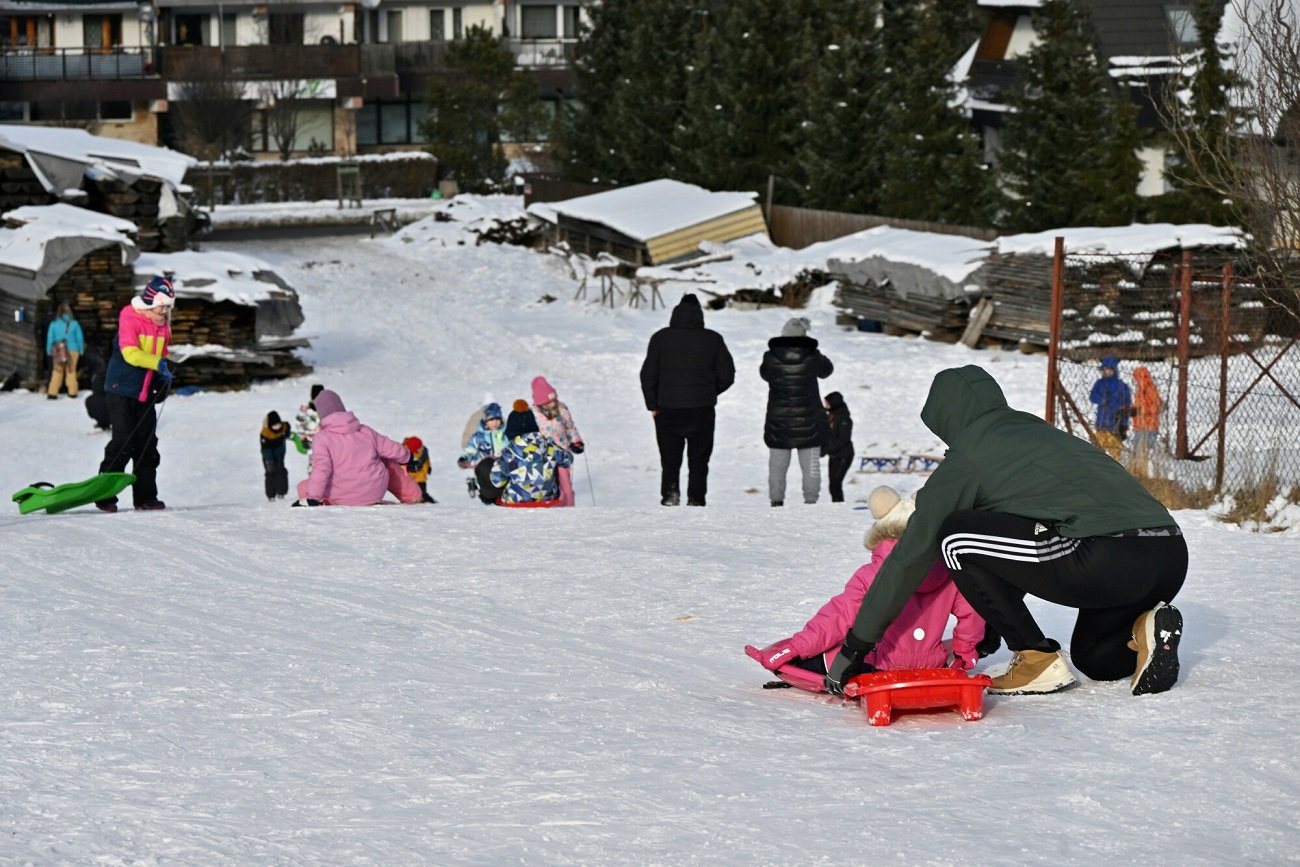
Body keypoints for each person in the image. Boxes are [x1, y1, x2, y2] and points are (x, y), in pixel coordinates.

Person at [824, 365, 1187, 699]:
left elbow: (910, 556)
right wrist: (994, 621)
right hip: (1168, 554)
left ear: (945, 417)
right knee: (1094, 658)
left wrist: (855, 646)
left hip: (1105, 554)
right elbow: (1012, 547)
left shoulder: (970, 456)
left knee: (955, 536)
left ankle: (1036, 660)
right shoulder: (1037, 434)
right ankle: (1147, 628)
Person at [745, 486, 985, 692]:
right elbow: (972, 615)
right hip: (930, 664)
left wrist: (795, 648)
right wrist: (964, 655)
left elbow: (839, 616)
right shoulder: (950, 574)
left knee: (816, 658)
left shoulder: (872, 575)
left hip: (878, 665)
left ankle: (797, 667)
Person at [639, 293, 735, 507]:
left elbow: (648, 374)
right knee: (699, 460)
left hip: (667, 408)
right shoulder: (713, 339)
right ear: (700, 315)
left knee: (670, 459)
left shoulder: (661, 338)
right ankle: (696, 499)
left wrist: (652, 404)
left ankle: (670, 495)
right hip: (702, 409)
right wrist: (708, 392)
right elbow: (727, 375)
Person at [96, 276, 176, 513]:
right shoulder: (130, 317)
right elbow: (130, 353)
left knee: (147, 444)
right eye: (161, 306)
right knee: (123, 441)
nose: (164, 312)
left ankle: (145, 497)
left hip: (144, 392)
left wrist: (163, 379)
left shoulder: (164, 327)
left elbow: (162, 355)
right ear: (150, 302)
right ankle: (104, 494)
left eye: (168, 307)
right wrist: (159, 364)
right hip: (121, 388)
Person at [296, 389, 415, 506]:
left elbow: (321, 468)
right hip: (374, 491)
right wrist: (408, 457)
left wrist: (313, 498)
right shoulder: (364, 430)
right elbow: (390, 447)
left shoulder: (321, 438)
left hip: (341, 496)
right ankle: (413, 496)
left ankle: (323, 501)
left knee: (303, 487)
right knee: (387, 462)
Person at [761, 317, 833, 506]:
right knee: (811, 467)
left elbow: (764, 374)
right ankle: (811, 500)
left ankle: (776, 500)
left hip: (779, 421)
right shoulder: (812, 356)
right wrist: (815, 352)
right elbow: (827, 370)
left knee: (777, 466)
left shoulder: (770, 357)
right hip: (809, 421)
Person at [491, 399, 573, 506]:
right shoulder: (549, 445)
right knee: (553, 465)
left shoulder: (508, 452)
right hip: (548, 497)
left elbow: (497, 481)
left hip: (516, 500)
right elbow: (568, 459)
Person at [530, 375, 584, 507]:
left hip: (563, 453)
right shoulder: (534, 414)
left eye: (553, 400)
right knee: (548, 483)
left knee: (566, 485)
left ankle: (568, 506)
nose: (552, 404)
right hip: (544, 456)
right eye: (548, 402)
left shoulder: (561, 410)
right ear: (539, 403)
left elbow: (570, 427)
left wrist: (576, 441)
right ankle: (551, 508)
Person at [458, 402, 507, 504]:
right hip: (485, 468)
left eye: (497, 419)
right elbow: (471, 449)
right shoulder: (479, 437)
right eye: (491, 420)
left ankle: (504, 494)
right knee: (487, 472)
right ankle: (479, 487)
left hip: (501, 467)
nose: (495, 423)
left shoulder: (504, 435)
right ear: (485, 421)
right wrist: (464, 457)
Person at [1089, 355, 1131, 462]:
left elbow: (1127, 405)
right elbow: (1092, 397)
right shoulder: (1099, 383)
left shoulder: (1122, 386)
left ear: (1114, 369)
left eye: (1109, 369)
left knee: (1115, 455)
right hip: (1101, 424)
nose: (1106, 372)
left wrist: (1124, 424)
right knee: (1097, 451)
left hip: (1115, 425)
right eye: (1104, 369)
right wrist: (1101, 399)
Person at [45, 302, 85, 399]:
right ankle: (72, 392)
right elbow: (80, 338)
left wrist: (49, 350)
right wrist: (81, 349)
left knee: (57, 371)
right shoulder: (75, 324)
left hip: (59, 350)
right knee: (71, 371)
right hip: (73, 349)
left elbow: (50, 338)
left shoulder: (54, 324)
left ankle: (52, 393)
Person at [821, 391, 854, 503]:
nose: (826, 405)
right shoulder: (831, 416)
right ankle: (837, 504)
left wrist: (825, 449)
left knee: (835, 483)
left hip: (844, 455)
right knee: (832, 484)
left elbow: (842, 439)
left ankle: (839, 505)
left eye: (827, 403)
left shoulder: (844, 418)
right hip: (834, 455)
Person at [1129, 366, 1162, 474]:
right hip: (1140, 425)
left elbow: (1155, 407)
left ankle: (1145, 472)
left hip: (1148, 426)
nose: (1135, 381)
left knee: (1144, 450)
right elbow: (1140, 405)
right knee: (1137, 449)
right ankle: (1138, 471)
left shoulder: (1149, 389)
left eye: (1136, 378)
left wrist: (1140, 411)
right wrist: (1132, 410)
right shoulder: (1140, 390)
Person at [260, 411, 291, 501]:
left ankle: (281, 492)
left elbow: (287, 426)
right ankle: (271, 495)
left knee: (281, 471)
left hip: (280, 454)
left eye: (278, 424)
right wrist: (269, 461)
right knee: (270, 472)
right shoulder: (265, 433)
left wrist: (288, 433)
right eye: (274, 426)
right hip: (268, 457)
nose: (277, 427)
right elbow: (265, 449)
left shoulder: (283, 427)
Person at [403, 435, 437, 503]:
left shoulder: (423, 452)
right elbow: (405, 469)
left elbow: (427, 460)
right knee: (419, 493)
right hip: (414, 479)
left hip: (422, 477)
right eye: (419, 447)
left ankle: (426, 500)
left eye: (421, 445)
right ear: (414, 449)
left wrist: (429, 467)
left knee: (423, 492)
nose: (422, 448)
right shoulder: (408, 456)